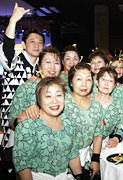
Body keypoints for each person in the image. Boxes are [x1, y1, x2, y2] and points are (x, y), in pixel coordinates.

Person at [13, 77, 82, 179]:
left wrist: (79, 177)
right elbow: (23, 166)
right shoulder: (27, 126)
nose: (54, 101)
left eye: (59, 95)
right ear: (39, 100)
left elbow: (73, 155)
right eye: (48, 96)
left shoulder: (68, 123)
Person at [0, 3, 44, 145]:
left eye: (40, 42)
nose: (37, 45)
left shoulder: (40, 69)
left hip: (34, 122)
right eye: (32, 41)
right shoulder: (15, 62)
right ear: (24, 44)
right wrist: (13, 21)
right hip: (13, 122)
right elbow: (7, 50)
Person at [66, 62, 103, 179]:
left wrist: (95, 159)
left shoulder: (96, 106)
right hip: (65, 163)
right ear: (71, 82)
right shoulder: (62, 103)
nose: (84, 84)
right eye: (79, 79)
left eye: (88, 79)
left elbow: (98, 135)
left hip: (87, 161)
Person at [9, 47, 61, 128]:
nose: (52, 67)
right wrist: (19, 120)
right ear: (39, 67)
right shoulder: (26, 87)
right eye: (48, 62)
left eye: (56, 63)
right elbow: (11, 122)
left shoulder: (65, 89)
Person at [93, 67, 123, 148]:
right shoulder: (88, 101)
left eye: (111, 81)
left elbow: (121, 127)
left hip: (105, 144)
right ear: (97, 82)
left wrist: (116, 139)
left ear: (114, 86)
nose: (106, 84)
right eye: (103, 79)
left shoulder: (117, 105)